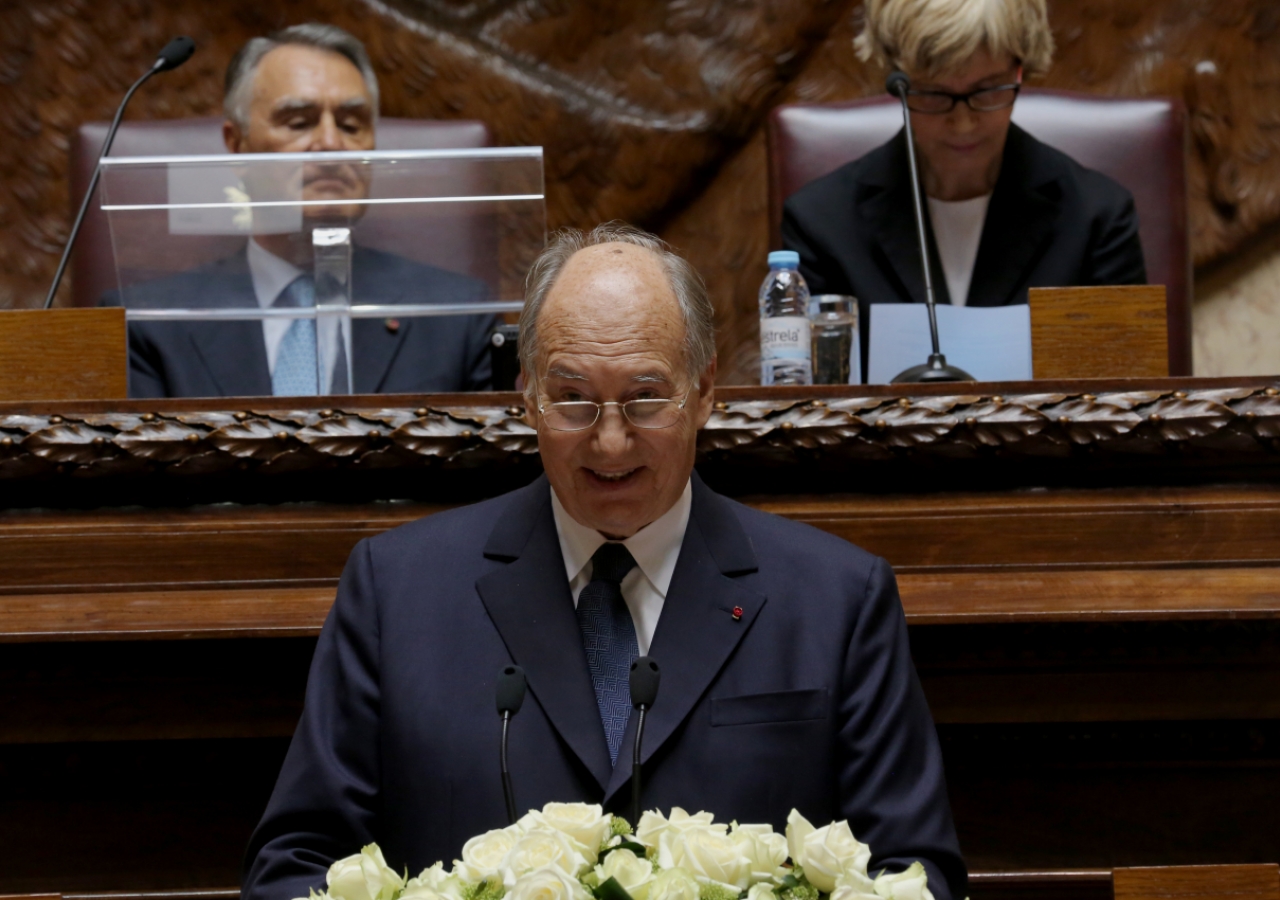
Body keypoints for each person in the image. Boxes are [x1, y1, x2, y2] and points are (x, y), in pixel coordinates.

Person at [241, 223, 967, 900]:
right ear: (525, 393)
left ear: (706, 389)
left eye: (646, 400)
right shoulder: (397, 593)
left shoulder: (835, 600)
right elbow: (294, 865)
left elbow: (916, 871)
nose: (610, 443)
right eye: (573, 401)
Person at [114, 24, 496, 398]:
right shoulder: (147, 323)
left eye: (350, 125)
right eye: (299, 123)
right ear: (237, 145)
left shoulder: (458, 316)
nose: (331, 144)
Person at [781, 0, 1146, 315]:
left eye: (987, 91)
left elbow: (1126, 388)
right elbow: (807, 387)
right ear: (896, 81)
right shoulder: (820, 223)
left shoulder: (1098, 219)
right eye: (935, 94)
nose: (963, 123)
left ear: (1019, 71)